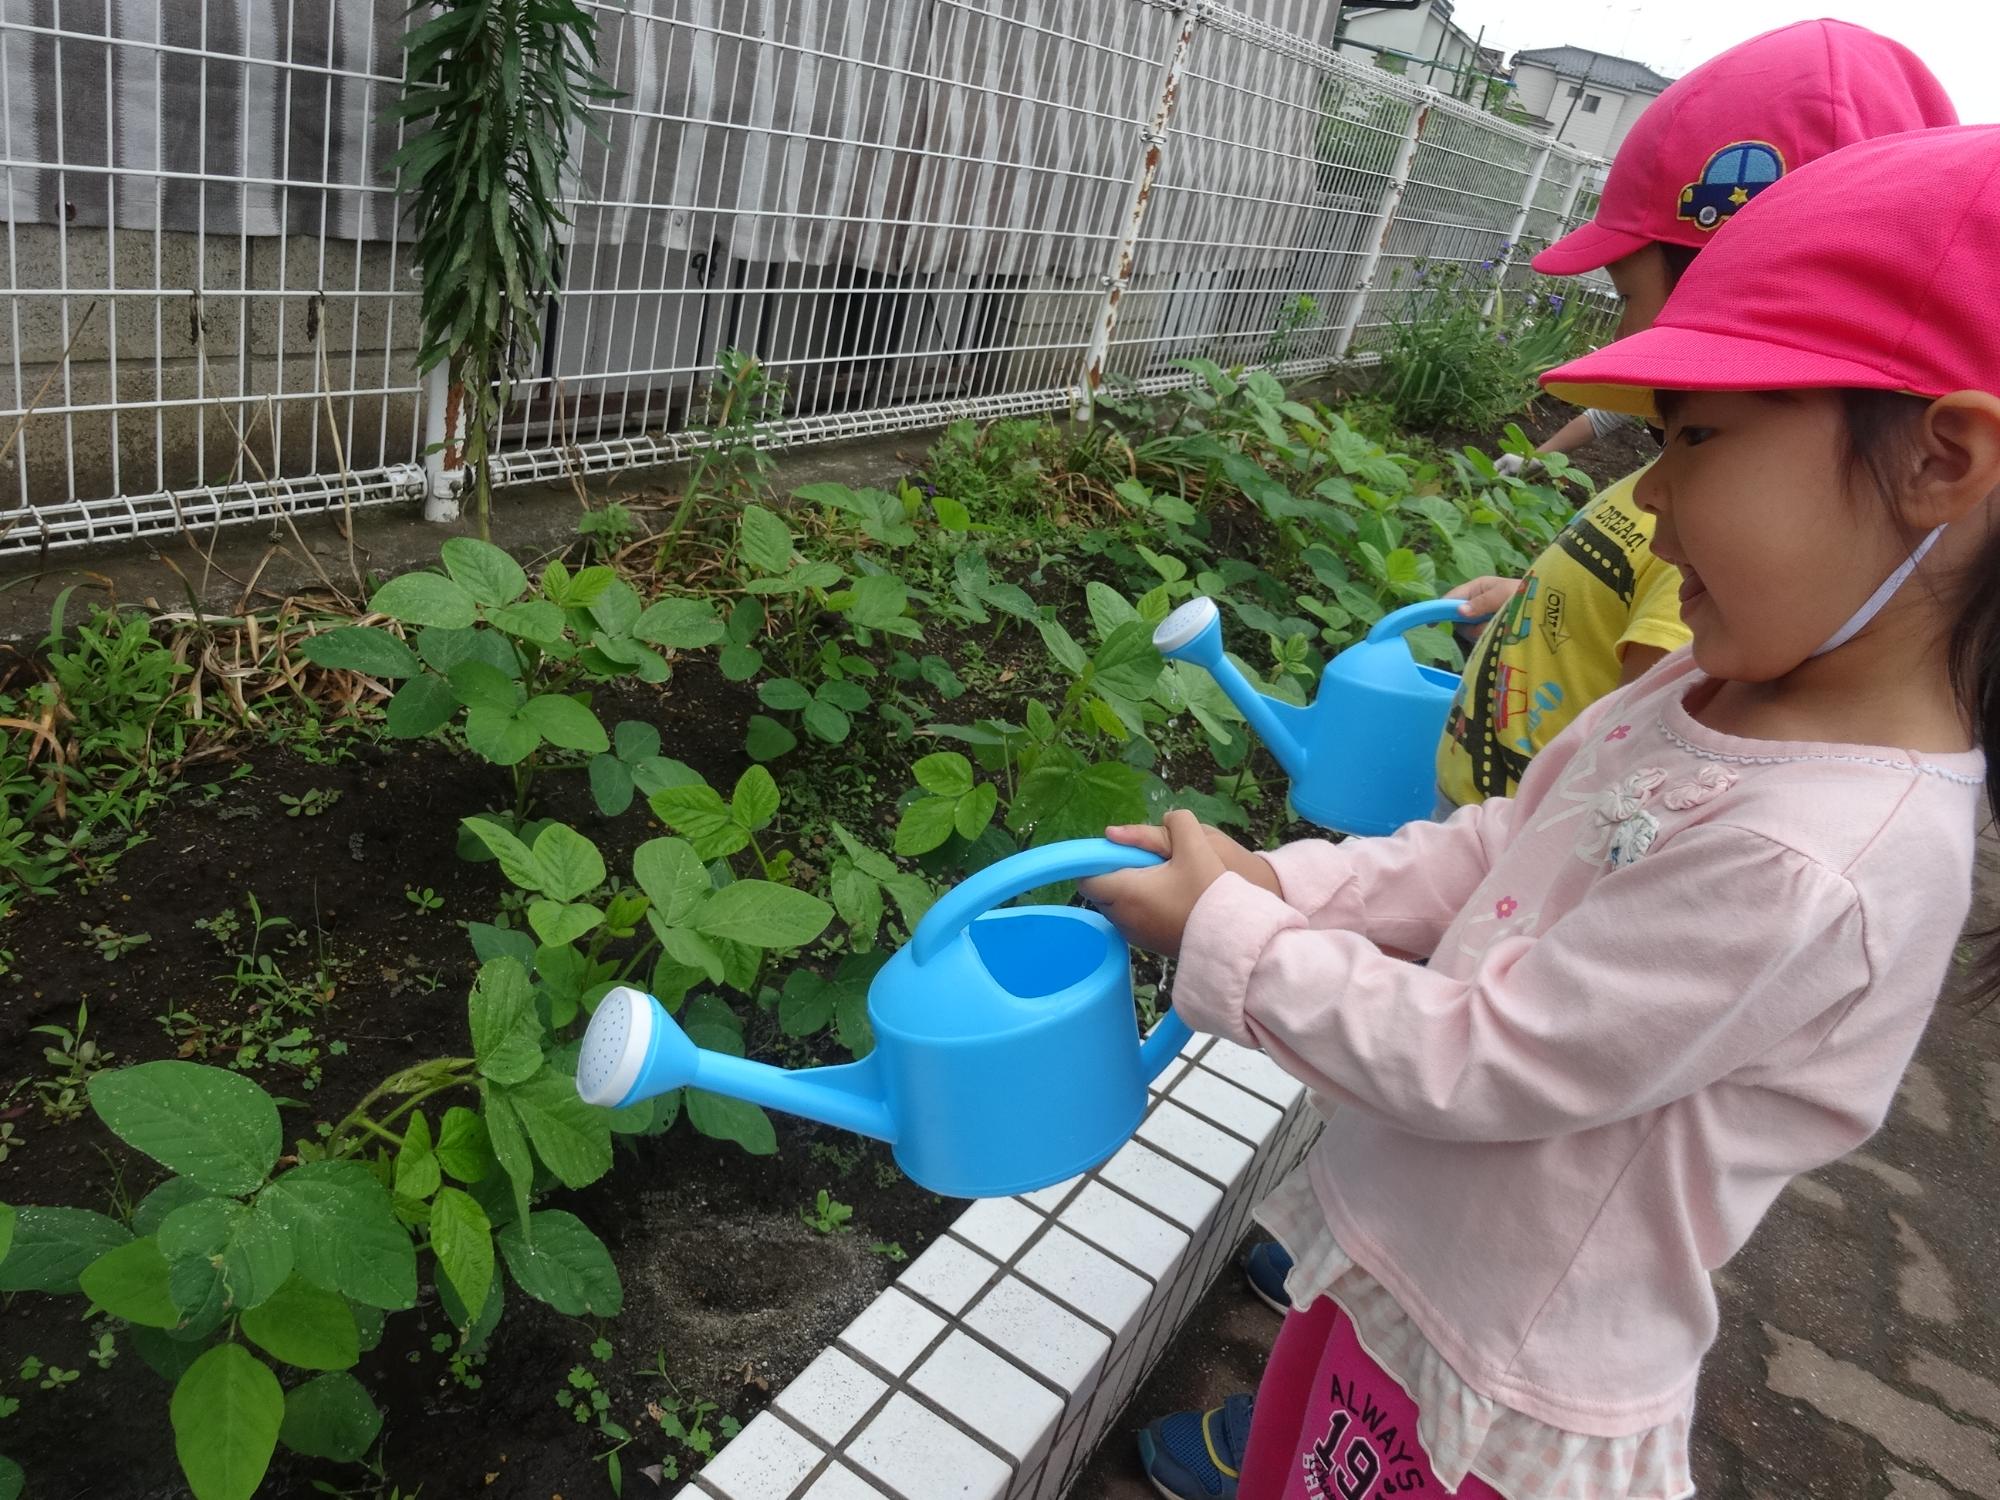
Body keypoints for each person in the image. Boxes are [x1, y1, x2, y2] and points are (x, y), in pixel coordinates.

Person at [1089, 119, 1999, 1500]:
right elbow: (1503, 847)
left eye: (1695, 439)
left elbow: (1491, 1060)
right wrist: (1285, 887)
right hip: (1412, 1266)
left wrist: (1231, 941)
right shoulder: (1699, 684)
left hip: (1499, 1375)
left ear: (1942, 461)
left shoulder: (1817, 862)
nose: (1652, 502)